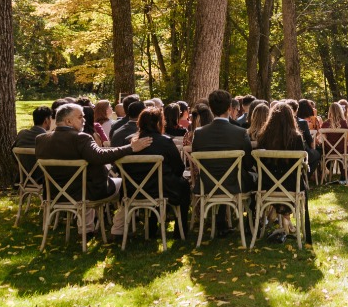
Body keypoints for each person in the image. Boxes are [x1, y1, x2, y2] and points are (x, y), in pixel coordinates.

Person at [34, 103, 152, 233]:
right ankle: (119, 228)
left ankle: (87, 229)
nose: (84, 120)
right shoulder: (80, 138)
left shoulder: (41, 139)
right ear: (68, 121)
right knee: (125, 184)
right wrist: (131, 147)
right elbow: (99, 156)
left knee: (87, 177)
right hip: (85, 193)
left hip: (54, 193)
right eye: (80, 117)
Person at [191, 90, 255, 236]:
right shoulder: (240, 133)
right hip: (235, 184)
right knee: (256, 180)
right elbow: (248, 163)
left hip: (207, 184)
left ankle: (222, 223)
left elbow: (196, 158)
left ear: (211, 109)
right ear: (229, 108)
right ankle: (251, 225)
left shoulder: (199, 134)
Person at [123, 106, 190, 233]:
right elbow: (179, 167)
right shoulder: (165, 142)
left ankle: (152, 228)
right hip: (163, 188)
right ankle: (181, 230)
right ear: (159, 123)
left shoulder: (129, 142)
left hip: (133, 189)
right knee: (184, 185)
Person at [255, 102, 314, 244]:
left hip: (268, 185)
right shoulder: (296, 138)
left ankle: (280, 213)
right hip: (291, 185)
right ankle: (285, 215)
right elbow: (298, 165)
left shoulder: (262, 137)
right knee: (297, 178)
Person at [319, 101, 348, 179]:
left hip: (328, 151)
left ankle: (329, 174)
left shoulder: (325, 124)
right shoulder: (343, 123)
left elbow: (323, 140)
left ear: (330, 112)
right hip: (342, 150)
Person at [14, 105, 54, 171]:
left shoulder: (22, 134)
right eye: (51, 118)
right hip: (44, 177)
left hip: (25, 176)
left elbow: (14, 155)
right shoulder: (48, 138)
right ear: (46, 120)